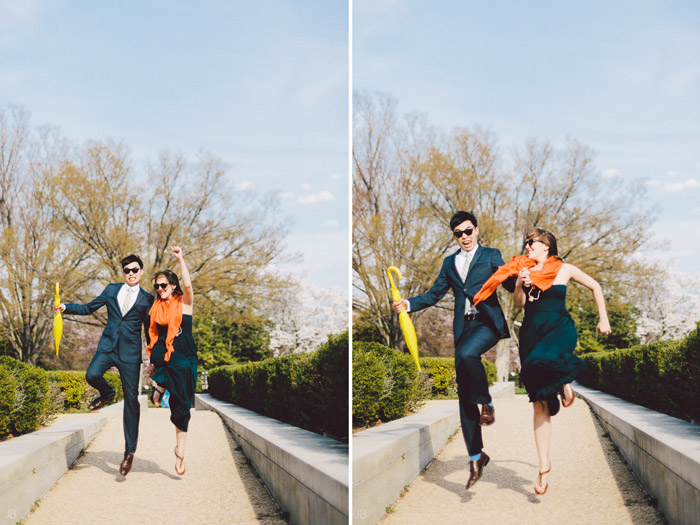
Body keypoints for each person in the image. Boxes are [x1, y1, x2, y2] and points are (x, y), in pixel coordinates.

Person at [392, 211, 514, 489]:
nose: (464, 237)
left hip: (487, 323)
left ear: (477, 231)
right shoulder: (449, 263)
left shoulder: (492, 255)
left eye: (468, 231)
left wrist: (524, 278)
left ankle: (488, 402)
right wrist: (407, 304)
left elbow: (508, 283)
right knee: (464, 394)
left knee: (469, 355)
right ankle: (476, 456)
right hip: (463, 328)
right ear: (454, 236)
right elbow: (434, 294)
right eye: (458, 233)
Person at [513, 228, 611, 495]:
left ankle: (563, 380)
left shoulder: (564, 269)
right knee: (538, 403)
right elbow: (519, 304)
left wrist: (603, 318)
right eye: (527, 243)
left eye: (531, 243)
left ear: (545, 245)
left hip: (558, 328)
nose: (527, 247)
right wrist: (521, 282)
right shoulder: (525, 269)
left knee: (540, 361)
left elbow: (595, 286)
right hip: (532, 331)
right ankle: (543, 466)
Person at [55, 254, 154, 476]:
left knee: (131, 402)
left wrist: (153, 358)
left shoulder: (148, 299)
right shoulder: (111, 290)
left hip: (130, 355)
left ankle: (129, 452)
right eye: (127, 270)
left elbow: (149, 332)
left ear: (141, 271)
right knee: (91, 375)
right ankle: (107, 392)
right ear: (123, 272)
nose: (131, 273)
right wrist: (65, 307)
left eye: (135, 269)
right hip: (107, 347)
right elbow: (89, 308)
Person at [145, 246, 197, 476]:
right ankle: (161, 382)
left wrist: (180, 259)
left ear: (172, 286)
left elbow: (188, 285)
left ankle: (180, 452)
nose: (159, 289)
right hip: (163, 355)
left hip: (183, 355)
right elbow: (151, 335)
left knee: (181, 408)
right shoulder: (155, 308)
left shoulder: (184, 303)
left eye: (163, 285)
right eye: (157, 286)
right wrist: (152, 364)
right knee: (169, 360)